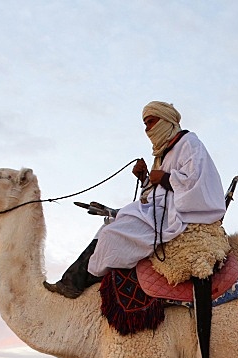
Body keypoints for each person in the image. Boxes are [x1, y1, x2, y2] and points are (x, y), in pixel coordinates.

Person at [45, 101, 227, 298]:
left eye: (151, 122)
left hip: (181, 214)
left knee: (112, 235)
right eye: (145, 124)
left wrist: (165, 178)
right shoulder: (164, 153)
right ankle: (72, 281)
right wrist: (145, 179)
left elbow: (197, 183)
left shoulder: (189, 143)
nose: (147, 129)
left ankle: (79, 283)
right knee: (108, 226)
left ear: (165, 120)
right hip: (161, 210)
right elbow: (157, 192)